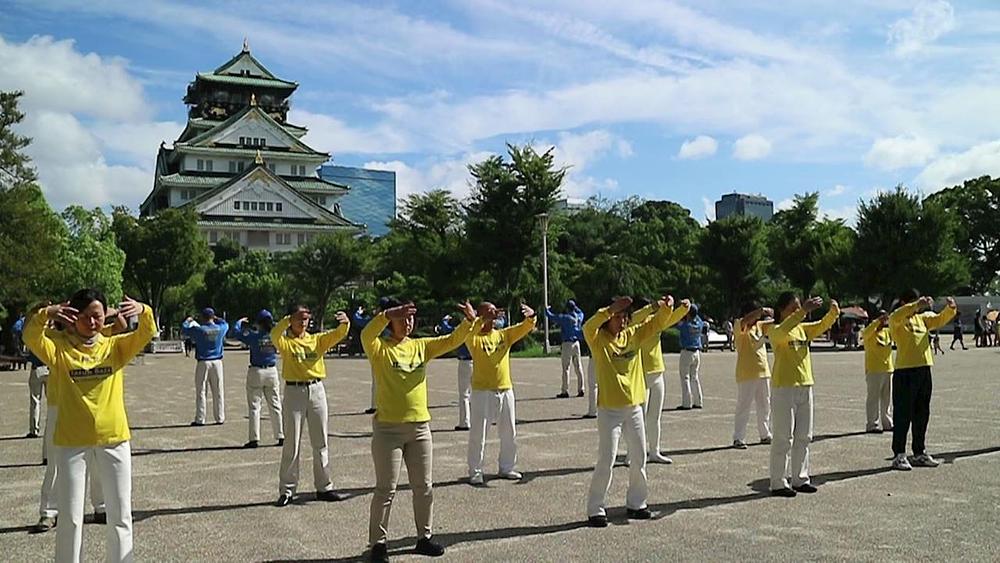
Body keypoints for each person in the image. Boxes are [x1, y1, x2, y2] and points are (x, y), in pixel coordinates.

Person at [23, 290, 156, 561]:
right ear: (72, 318)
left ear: (104, 316)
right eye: (84, 317)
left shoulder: (114, 347)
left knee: (120, 514)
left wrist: (143, 310)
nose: (92, 323)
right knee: (71, 518)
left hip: (114, 438)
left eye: (97, 316)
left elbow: (146, 332)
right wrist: (47, 313)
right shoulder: (59, 348)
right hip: (72, 441)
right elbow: (30, 336)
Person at [362, 298, 481, 562]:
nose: (408, 322)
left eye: (411, 317)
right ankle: (378, 544)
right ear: (391, 321)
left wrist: (470, 321)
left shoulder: (420, 346)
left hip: (419, 428)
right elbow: (366, 333)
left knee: (424, 486)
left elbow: (452, 340)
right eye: (402, 318)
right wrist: (386, 313)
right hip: (388, 430)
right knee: (385, 489)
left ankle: (423, 537)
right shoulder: (380, 347)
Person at [583, 295, 689, 528]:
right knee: (607, 458)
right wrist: (609, 309)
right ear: (608, 319)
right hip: (609, 410)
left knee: (639, 456)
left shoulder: (633, 334)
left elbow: (655, 324)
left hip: (634, 408)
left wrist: (667, 308)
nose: (621, 321)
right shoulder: (598, 339)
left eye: (624, 317)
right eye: (617, 317)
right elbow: (587, 325)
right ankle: (596, 508)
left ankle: (637, 503)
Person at [270, 305, 351, 506]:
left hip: (316, 389)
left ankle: (324, 486)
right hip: (294, 391)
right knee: (292, 443)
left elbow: (338, 334)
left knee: (320, 440)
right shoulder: (286, 342)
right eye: (299, 318)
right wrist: (288, 318)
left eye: (306, 319)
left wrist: (345, 322)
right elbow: (274, 334)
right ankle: (287, 489)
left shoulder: (316, 340)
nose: (302, 322)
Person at [766, 293, 839, 497]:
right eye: (793, 307)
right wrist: (803, 311)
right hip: (784, 388)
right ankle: (778, 482)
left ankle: (800, 478)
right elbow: (781, 332)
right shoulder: (775, 329)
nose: (798, 311)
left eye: (799, 307)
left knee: (804, 436)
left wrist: (833, 312)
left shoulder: (802, 329)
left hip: (805, 385)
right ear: (782, 309)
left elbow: (821, 325)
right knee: (783, 437)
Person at [465, 302, 536, 485]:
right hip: (482, 392)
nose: (493, 314)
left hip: (505, 389)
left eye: (494, 311)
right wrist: (478, 319)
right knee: (478, 434)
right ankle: (476, 471)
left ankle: (507, 467)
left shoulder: (503, 335)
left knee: (509, 432)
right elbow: (469, 332)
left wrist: (531, 316)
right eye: (488, 311)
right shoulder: (473, 338)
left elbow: (524, 328)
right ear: (480, 314)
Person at [888, 292, 957, 471]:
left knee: (922, 413)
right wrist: (916, 305)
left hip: (924, 369)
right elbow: (895, 315)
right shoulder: (897, 320)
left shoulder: (923, 319)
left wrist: (950, 309)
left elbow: (939, 319)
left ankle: (919, 452)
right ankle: (898, 454)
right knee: (903, 414)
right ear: (904, 302)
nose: (917, 305)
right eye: (911, 302)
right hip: (905, 371)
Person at [631, 299, 687, 464]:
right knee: (638, 417)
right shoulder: (633, 324)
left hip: (657, 373)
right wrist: (652, 307)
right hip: (640, 373)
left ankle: (654, 451)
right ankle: (633, 454)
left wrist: (683, 308)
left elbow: (671, 318)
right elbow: (635, 316)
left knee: (655, 416)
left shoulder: (656, 322)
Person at [234, 310, 283, 449]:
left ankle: (254, 438)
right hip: (271, 370)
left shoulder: (254, 336)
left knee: (255, 406)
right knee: (275, 404)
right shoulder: (275, 336)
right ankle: (280, 435)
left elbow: (237, 332)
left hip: (256, 370)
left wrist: (240, 322)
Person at [732, 304, 774, 449]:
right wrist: (760, 311)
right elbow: (745, 321)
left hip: (763, 371)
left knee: (764, 405)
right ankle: (738, 437)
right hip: (746, 373)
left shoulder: (760, 326)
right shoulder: (739, 325)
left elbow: (777, 323)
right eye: (755, 315)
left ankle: (764, 434)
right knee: (744, 406)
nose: (757, 318)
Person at [181, 308, 229, 426]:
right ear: (213, 317)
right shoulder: (220, 329)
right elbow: (225, 324)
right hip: (217, 361)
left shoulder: (199, 330)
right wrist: (217, 318)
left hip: (203, 361)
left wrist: (188, 320)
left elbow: (184, 328)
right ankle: (220, 417)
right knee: (218, 390)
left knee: (201, 391)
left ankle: (200, 418)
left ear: (202, 317)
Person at [436, 314, 473, 431]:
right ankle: (481, 419)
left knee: (464, 394)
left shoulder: (461, 330)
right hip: (478, 361)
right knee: (479, 392)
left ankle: (465, 421)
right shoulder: (477, 328)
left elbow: (446, 329)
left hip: (465, 362)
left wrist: (445, 320)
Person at [861, 311, 894, 434]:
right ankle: (872, 424)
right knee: (873, 398)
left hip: (888, 369)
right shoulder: (869, 333)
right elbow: (865, 333)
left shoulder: (887, 332)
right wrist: (877, 322)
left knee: (886, 398)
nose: (883, 321)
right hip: (874, 370)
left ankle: (887, 422)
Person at [545, 300, 585, 399]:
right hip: (576, 343)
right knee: (578, 367)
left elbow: (551, 316)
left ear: (567, 308)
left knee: (566, 368)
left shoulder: (565, 318)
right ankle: (581, 389)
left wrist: (547, 309)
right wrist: (576, 308)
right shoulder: (579, 317)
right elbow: (582, 313)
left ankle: (565, 390)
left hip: (567, 343)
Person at [676, 305, 706, 410]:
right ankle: (698, 401)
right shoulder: (699, 323)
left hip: (687, 351)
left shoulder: (685, 325)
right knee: (694, 377)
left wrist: (682, 312)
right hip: (697, 352)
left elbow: (676, 323)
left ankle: (686, 403)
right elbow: (698, 318)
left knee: (685, 378)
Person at [26, 350, 47, 438]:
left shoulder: (34, 339)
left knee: (35, 401)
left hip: (37, 368)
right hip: (49, 368)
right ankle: (53, 428)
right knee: (53, 402)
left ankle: (34, 430)